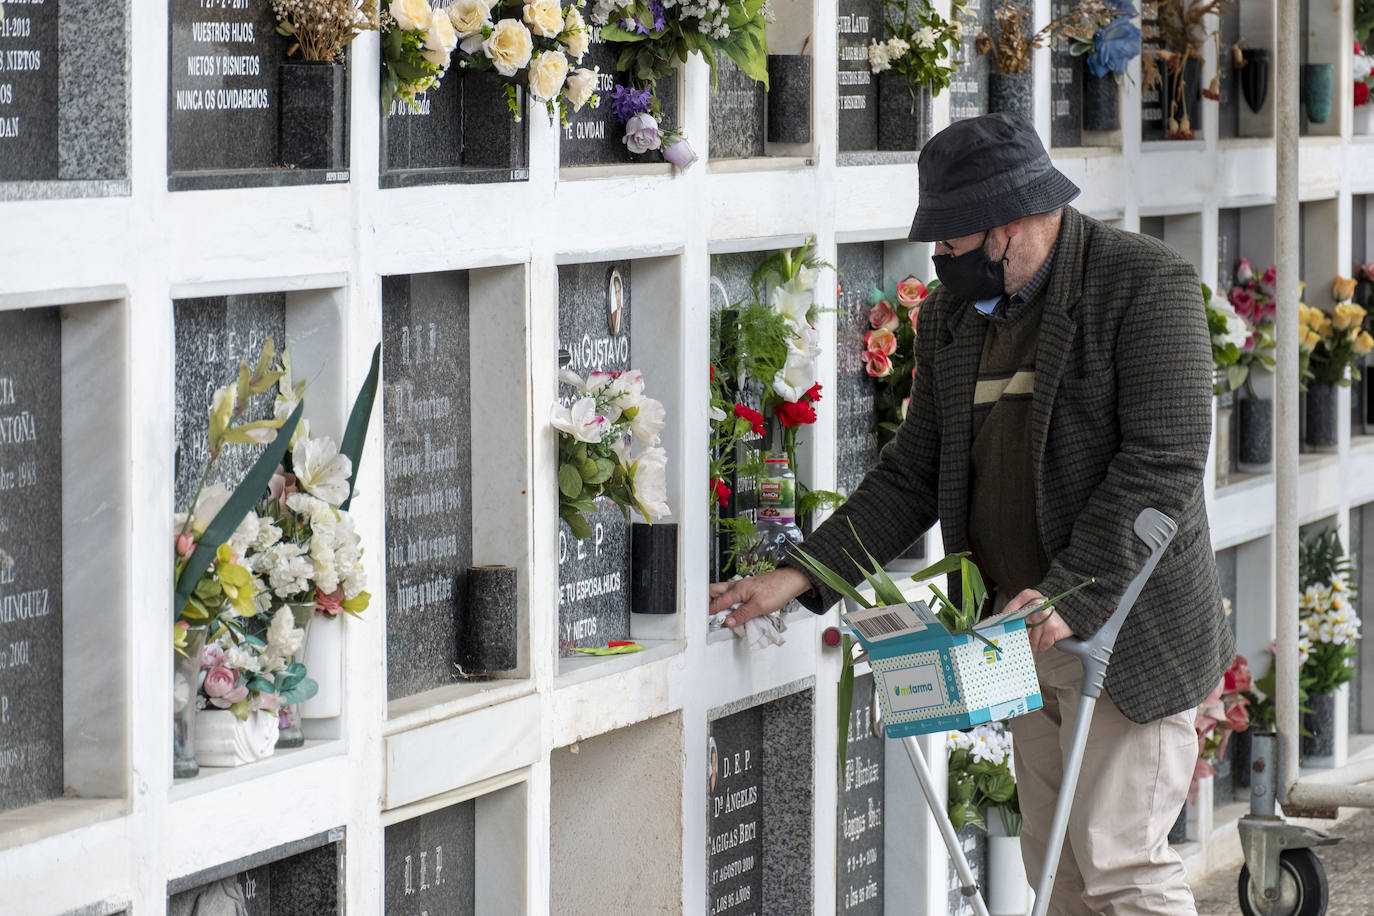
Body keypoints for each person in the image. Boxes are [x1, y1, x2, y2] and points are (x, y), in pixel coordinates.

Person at [708, 112, 1233, 915]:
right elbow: (915, 471)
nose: (938, 264)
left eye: (951, 247)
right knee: (1056, 873)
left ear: (1010, 225)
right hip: (1019, 635)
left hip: (1125, 631)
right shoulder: (952, 319)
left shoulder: (1143, 284)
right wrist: (800, 575)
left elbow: (1161, 464)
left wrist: (1072, 596)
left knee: (1122, 864)